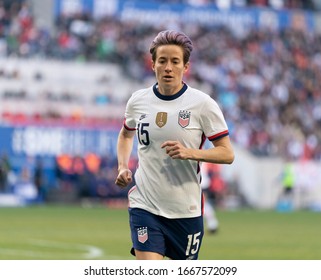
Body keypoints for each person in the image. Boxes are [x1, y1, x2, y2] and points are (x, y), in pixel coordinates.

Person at [115, 30, 234, 260]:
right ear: (153, 65)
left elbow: (227, 153)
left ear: (185, 67)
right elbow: (125, 135)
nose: (168, 67)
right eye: (162, 61)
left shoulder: (203, 104)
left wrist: (189, 152)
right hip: (145, 206)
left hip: (185, 211)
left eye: (175, 61)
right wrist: (122, 166)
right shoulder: (138, 101)